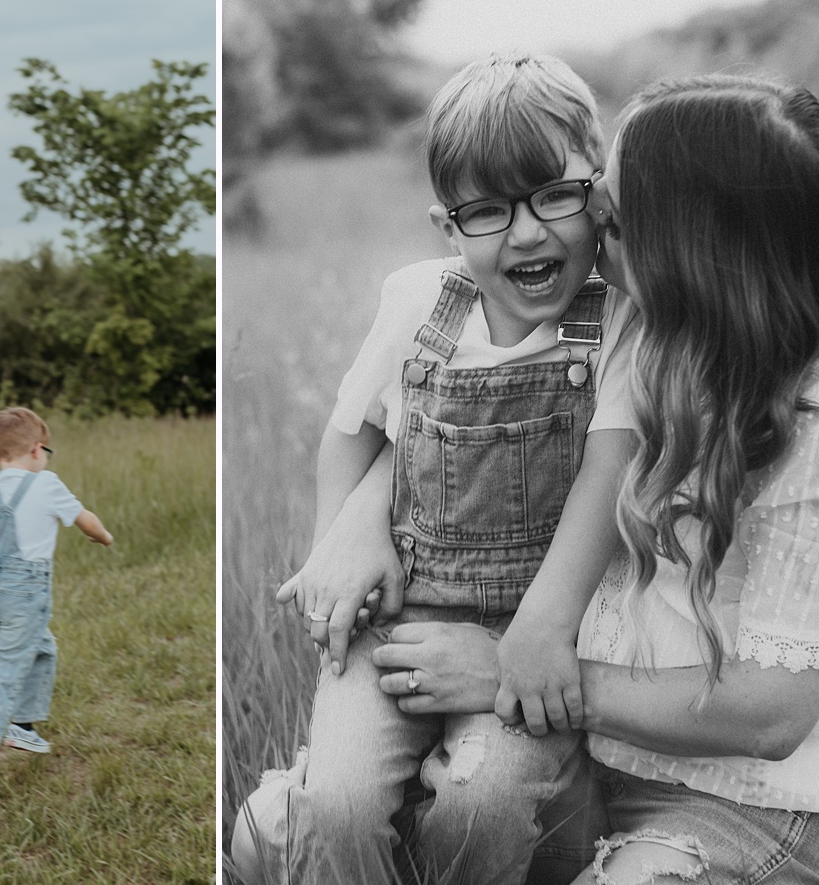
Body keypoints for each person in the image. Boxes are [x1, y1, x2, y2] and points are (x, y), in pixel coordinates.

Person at [370, 73, 819, 882]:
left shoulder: (806, 427)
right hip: (597, 759)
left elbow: (773, 713)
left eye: (609, 218)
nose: (583, 230)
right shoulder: (643, 339)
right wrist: (358, 519)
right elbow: (451, 435)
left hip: (744, 800)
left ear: (692, 248)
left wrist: (515, 665)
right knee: (336, 827)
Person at [232, 54, 640, 884]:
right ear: (447, 226)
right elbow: (351, 429)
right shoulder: (419, 302)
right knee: (339, 804)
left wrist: (540, 637)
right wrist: (334, 551)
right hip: (396, 619)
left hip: (533, 638)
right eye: (487, 211)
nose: (528, 232)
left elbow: (608, 477)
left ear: (598, 196)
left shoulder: (622, 323)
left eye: (555, 196)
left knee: (483, 802)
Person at [0, 406, 113, 801]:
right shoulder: (47, 484)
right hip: (25, 594)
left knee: (43, 647)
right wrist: (103, 538)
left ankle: (24, 727)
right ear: (37, 450)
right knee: (7, 672)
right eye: (46, 451)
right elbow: (86, 520)